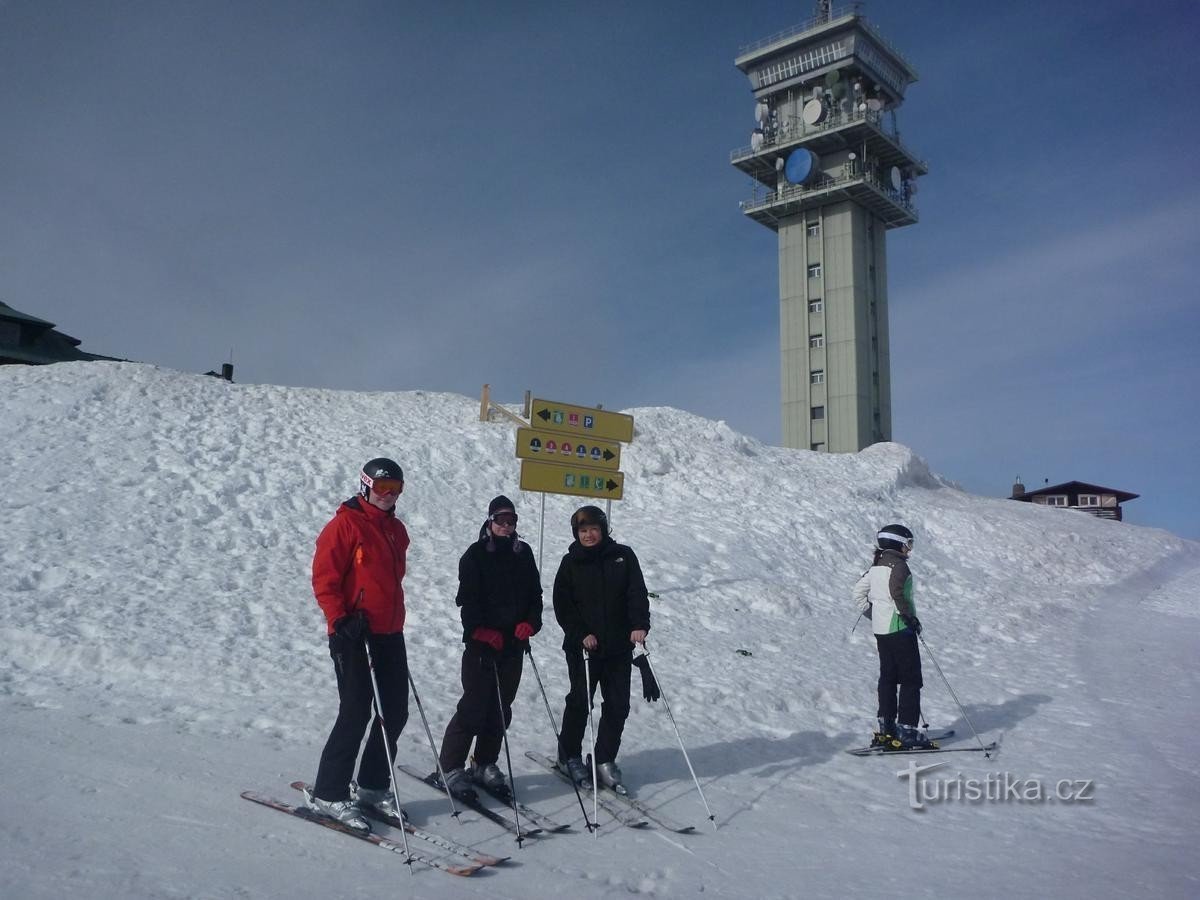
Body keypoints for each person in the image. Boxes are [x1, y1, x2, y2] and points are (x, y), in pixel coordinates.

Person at [305, 457, 411, 832]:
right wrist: (341, 619)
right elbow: (325, 579)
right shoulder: (344, 525)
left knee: (395, 711)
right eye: (382, 489)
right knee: (355, 712)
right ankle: (330, 792)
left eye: (395, 490)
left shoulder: (396, 529)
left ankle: (371, 786)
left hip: (387, 633)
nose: (388, 496)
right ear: (366, 486)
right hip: (353, 634)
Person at [436, 495, 543, 800]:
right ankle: (450, 766)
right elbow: (467, 600)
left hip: (513, 645)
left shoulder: (524, 554)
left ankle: (484, 763)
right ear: (490, 521)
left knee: (500, 708)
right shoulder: (475, 555)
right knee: (473, 706)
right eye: (500, 520)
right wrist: (479, 631)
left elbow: (535, 596)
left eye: (511, 521)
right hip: (482, 646)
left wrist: (531, 624)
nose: (506, 526)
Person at [553, 505, 650, 793]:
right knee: (581, 702)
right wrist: (581, 633)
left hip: (619, 646)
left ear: (603, 529)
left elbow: (637, 593)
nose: (589, 535)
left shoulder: (623, 556)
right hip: (584, 648)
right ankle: (568, 755)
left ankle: (604, 759)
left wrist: (639, 624)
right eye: (583, 531)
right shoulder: (571, 563)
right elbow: (563, 605)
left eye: (593, 529)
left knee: (618, 705)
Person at [852, 523, 935, 750]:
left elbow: (858, 591)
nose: (910, 549)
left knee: (888, 677)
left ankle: (886, 728)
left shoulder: (876, 565)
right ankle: (907, 730)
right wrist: (910, 618)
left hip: (882, 630)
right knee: (910, 679)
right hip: (899, 629)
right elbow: (896, 593)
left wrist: (872, 612)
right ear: (897, 543)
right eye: (908, 544)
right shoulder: (898, 567)